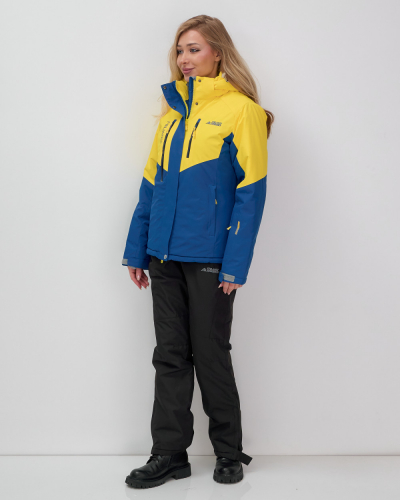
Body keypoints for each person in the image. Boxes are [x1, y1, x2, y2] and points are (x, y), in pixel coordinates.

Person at [122, 14, 273, 489]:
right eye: (180, 50)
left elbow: (251, 193)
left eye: (194, 49)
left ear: (218, 54)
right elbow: (151, 187)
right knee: (169, 354)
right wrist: (137, 251)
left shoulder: (241, 111)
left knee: (210, 353)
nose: (185, 59)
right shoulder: (172, 115)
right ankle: (169, 454)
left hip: (210, 257)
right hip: (164, 256)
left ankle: (228, 452)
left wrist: (235, 264)